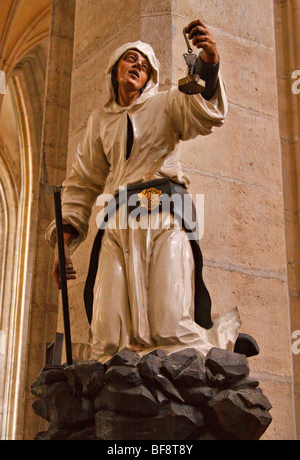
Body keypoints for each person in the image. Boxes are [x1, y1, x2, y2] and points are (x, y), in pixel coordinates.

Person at [46, 20, 257, 363]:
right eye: (131, 60)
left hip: (162, 214)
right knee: (107, 336)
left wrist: (210, 62)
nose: (137, 68)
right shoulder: (100, 122)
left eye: (144, 66)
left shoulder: (168, 103)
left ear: (150, 78)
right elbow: (83, 182)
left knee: (171, 325)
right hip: (116, 225)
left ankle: (220, 343)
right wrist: (64, 244)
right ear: (114, 70)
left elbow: (204, 113)